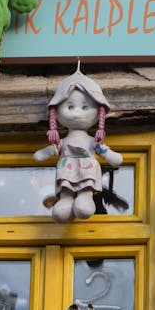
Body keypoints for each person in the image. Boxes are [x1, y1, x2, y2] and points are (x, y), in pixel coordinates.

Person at [34, 68, 123, 223]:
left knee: (83, 204)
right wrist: (46, 152)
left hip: (86, 171)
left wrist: (109, 154)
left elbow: (115, 159)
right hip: (67, 171)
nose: (77, 113)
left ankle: (85, 197)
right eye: (70, 107)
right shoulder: (62, 142)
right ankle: (66, 200)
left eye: (84, 107)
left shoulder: (91, 141)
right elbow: (42, 154)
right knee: (64, 202)